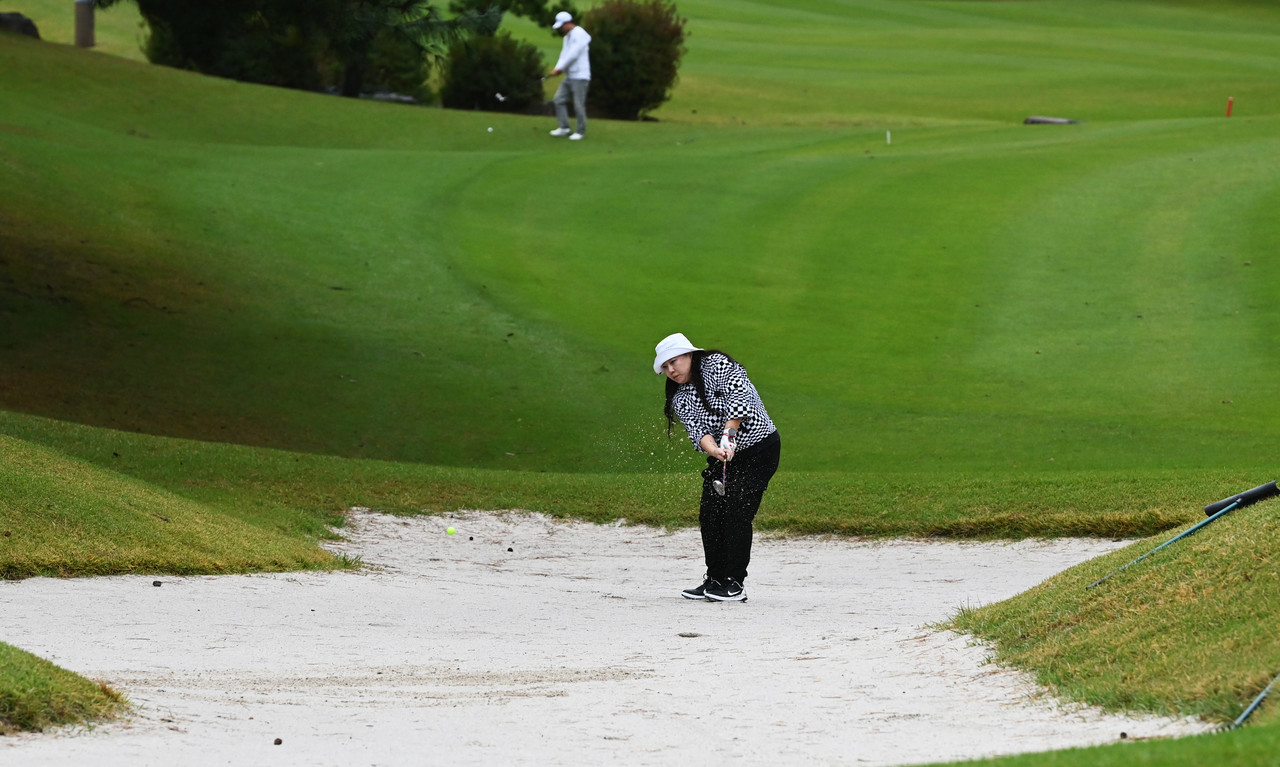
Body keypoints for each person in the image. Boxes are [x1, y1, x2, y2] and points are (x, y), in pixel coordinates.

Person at [654, 333, 781, 602]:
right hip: (724, 455)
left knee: (737, 511)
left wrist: (729, 435)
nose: (671, 370)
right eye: (665, 367)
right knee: (710, 514)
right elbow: (698, 431)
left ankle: (734, 583)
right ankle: (714, 579)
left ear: (690, 355)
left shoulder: (717, 364)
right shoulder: (679, 395)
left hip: (759, 449)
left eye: (674, 362)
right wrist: (714, 450)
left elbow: (741, 397)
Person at [547, 11, 591, 141]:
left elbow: (573, 54)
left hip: (581, 76)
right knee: (559, 99)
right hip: (570, 75)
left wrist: (560, 69)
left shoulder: (579, 34)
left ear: (568, 23)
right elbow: (564, 54)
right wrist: (557, 68)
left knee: (578, 105)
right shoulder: (567, 37)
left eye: (561, 26)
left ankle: (580, 131)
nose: (560, 29)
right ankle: (564, 128)